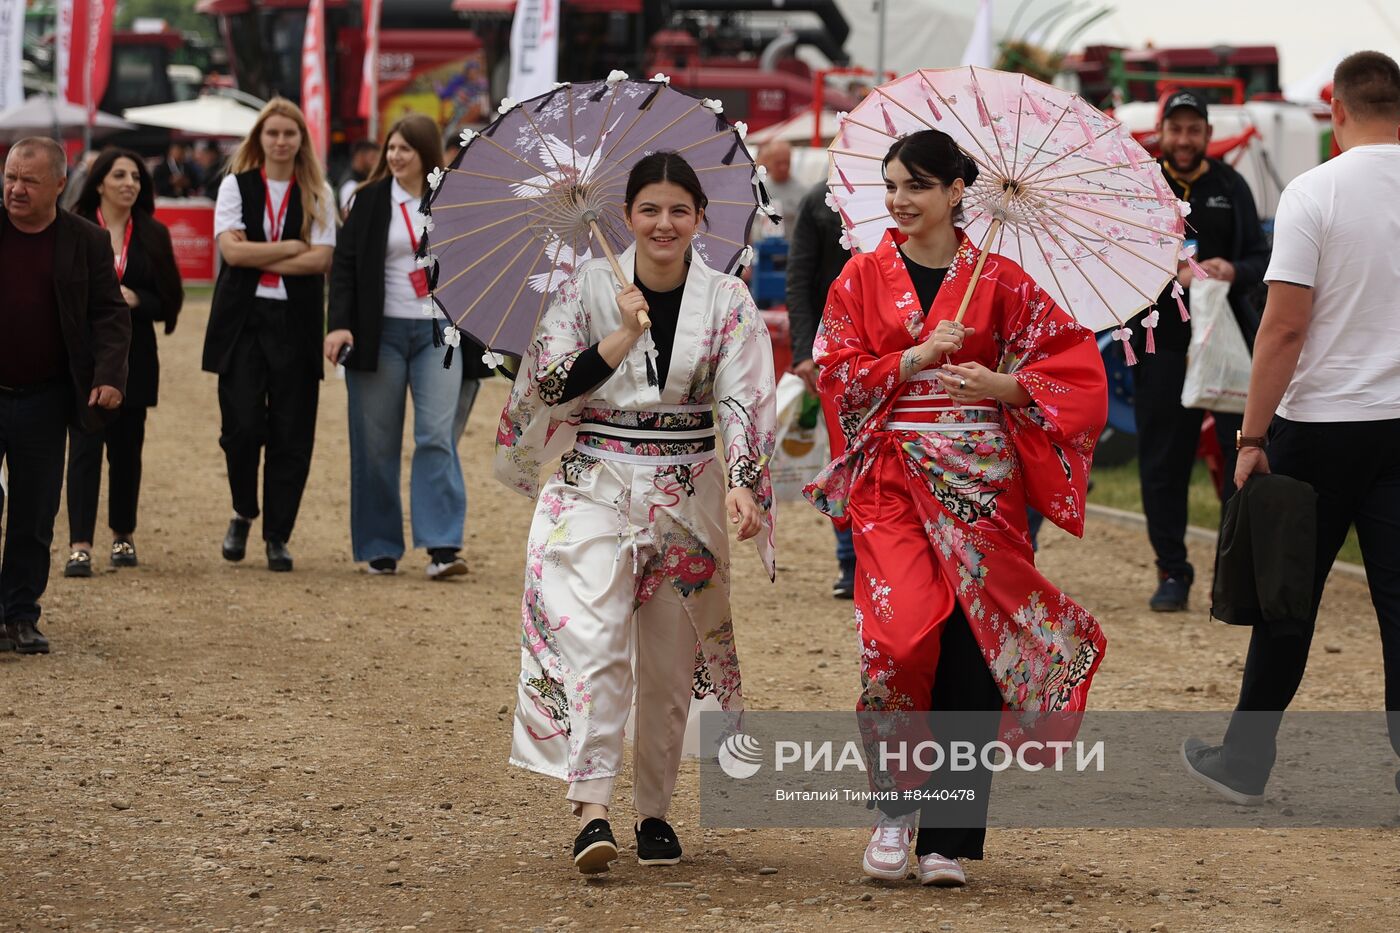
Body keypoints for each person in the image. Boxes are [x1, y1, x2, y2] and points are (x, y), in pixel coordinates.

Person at [806, 130, 1108, 886]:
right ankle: (894, 808)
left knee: (973, 645)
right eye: (891, 186)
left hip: (982, 480)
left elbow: (1074, 369)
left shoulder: (1003, 280)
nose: (900, 201)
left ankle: (946, 835)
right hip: (895, 480)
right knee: (902, 636)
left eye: (916, 186)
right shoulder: (860, 277)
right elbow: (835, 374)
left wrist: (1002, 387)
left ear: (955, 191)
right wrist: (911, 358)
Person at [497, 151, 776, 875]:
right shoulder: (587, 287)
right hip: (593, 482)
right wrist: (619, 335)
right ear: (626, 216)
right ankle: (591, 807)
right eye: (649, 209)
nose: (663, 223)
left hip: (688, 486)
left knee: (669, 658)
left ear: (700, 219)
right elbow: (550, 386)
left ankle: (654, 811)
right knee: (592, 640)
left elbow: (744, 397)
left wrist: (744, 481)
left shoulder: (729, 301)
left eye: (678, 210)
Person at [1183, 51, 1400, 804]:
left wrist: (1249, 437)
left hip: (1320, 426)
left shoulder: (1316, 191)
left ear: (1335, 113)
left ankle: (1244, 763)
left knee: (1287, 596)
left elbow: (1283, 327)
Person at [326, 114, 492, 578]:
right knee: (376, 444)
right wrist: (338, 325)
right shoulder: (368, 199)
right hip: (379, 333)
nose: (396, 156)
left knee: (436, 437)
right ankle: (379, 545)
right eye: (391, 148)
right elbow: (344, 268)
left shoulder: (453, 199)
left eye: (406, 149)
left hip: (439, 335)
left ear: (425, 154)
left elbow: (475, 264)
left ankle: (442, 546)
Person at [1130, 90, 1271, 612]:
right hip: (1161, 345)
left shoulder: (1230, 186)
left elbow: (1260, 254)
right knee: (1163, 461)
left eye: (1194, 130)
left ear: (1208, 135)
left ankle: (1232, 576)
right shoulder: (1141, 185)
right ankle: (1172, 571)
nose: (1184, 140)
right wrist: (1168, 271)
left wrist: (1233, 271)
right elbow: (1115, 255)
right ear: (1161, 131)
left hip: (1228, 344)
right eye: (1176, 129)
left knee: (1243, 455)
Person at [0, 137, 129, 655]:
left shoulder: (86, 241)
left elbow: (110, 315)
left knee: (33, 514)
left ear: (60, 183)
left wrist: (110, 375)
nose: (15, 188)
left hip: (45, 398)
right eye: (10, 176)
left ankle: (20, 615)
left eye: (29, 180)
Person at [203, 98, 336, 572]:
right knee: (240, 428)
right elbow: (231, 256)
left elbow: (321, 260)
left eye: (289, 133)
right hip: (243, 321)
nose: (281, 141)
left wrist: (259, 252)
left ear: (302, 140)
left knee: (292, 433)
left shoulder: (317, 190)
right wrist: (289, 248)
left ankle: (277, 535)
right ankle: (243, 510)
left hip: (295, 324)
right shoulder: (235, 187)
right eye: (272, 133)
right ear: (259, 138)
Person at [62, 149, 184, 578]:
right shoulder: (74, 230)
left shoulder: (152, 234)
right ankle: (79, 545)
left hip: (137, 357)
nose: (130, 183)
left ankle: (123, 534)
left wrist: (138, 299)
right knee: (83, 450)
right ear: (99, 182)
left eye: (135, 176)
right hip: (82, 357)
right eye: (119, 175)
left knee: (127, 451)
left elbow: (171, 300)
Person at [785, 178, 855, 597]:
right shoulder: (818, 201)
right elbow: (799, 278)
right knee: (843, 456)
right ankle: (849, 559)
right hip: (832, 352)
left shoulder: (909, 200)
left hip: (896, 352)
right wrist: (803, 353)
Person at [754, 139, 805, 239]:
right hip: (763, 251)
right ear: (768, 161)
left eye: (787, 162)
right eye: (778, 163)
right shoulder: (758, 190)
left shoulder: (803, 192)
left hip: (792, 251)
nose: (783, 167)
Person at [338, 140, 379, 217]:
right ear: (360, 157)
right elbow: (351, 217)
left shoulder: (364, 180)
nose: (376, 163)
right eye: (373, 157)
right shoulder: (350, 185)